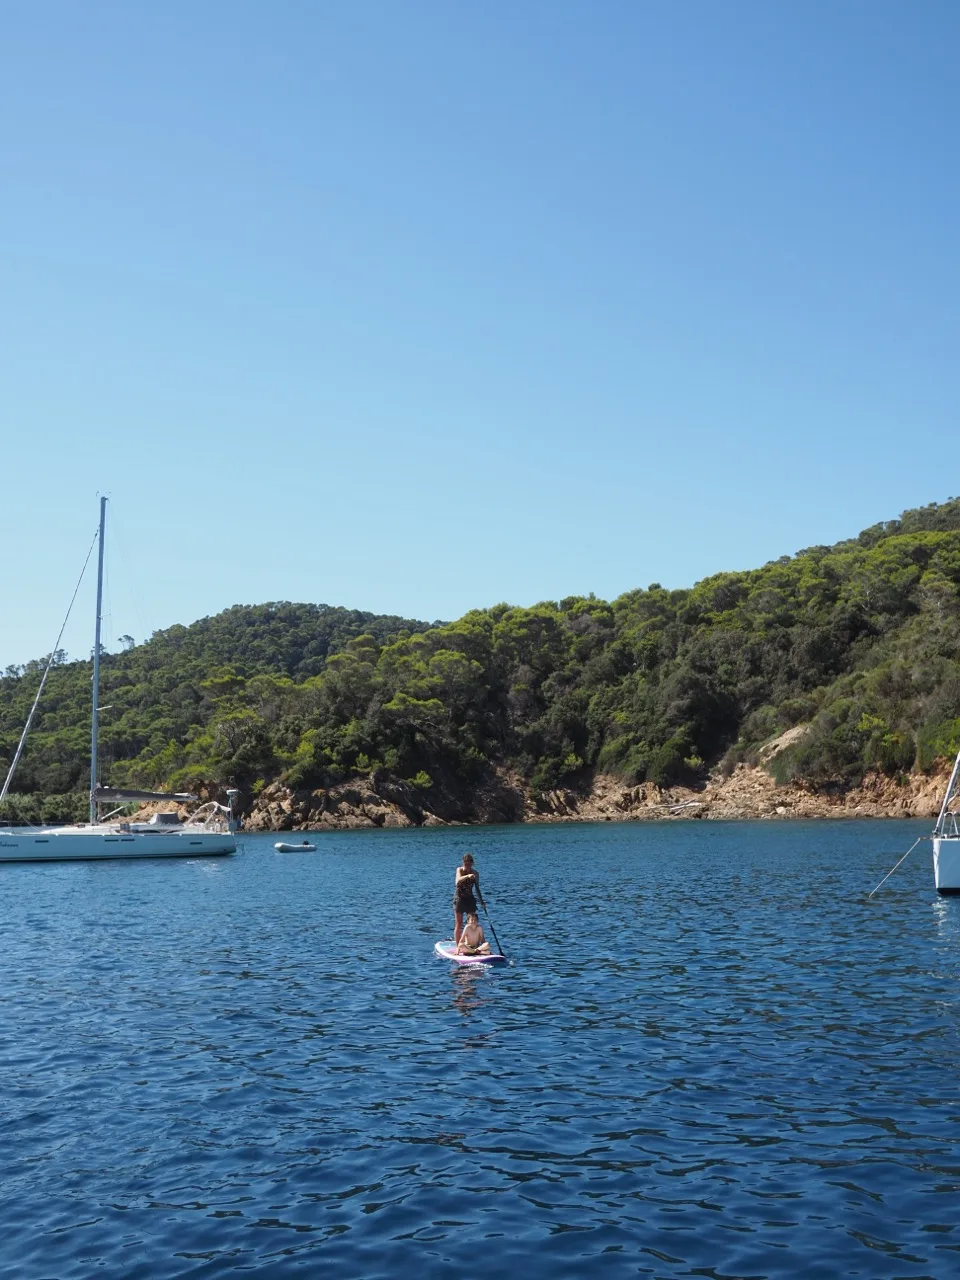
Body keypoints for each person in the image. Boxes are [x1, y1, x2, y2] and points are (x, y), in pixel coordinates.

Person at [453, 852, 480, 946]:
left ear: (472, 863)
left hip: (470, 899)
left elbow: (477, 889)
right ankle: (458, 946)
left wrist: (481, 901)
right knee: (459, 923)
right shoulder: (459, 870)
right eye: (465, 864)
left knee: (472, 923)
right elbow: (457, 882)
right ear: (463, 863)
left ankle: (471, 944)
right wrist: (467, 876)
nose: (467, 866)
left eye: (469, 864)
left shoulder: (475, 873)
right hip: (459, 898)